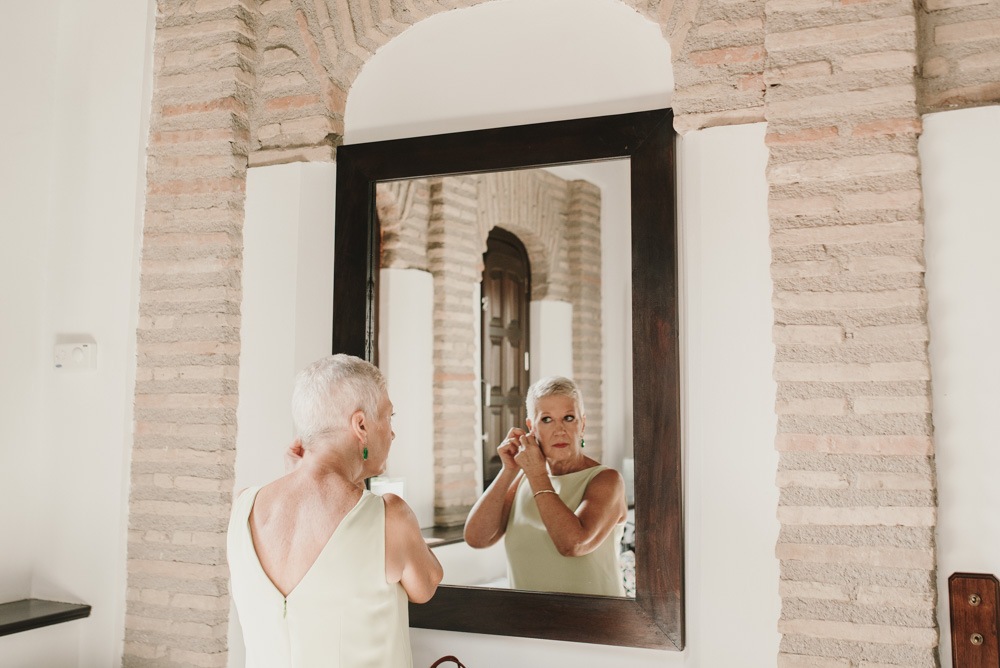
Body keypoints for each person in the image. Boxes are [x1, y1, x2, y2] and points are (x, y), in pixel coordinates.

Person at [227, 354, 443, 668]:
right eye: (388, 417)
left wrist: (299, 478)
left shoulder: (244, 505)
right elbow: (426, 585)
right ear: (361, 424)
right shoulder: (389, 515)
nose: (392, 433)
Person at [463, 376, 628, 596]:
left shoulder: (607, 480)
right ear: (531, 426)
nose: (559, 430)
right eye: (547, 419)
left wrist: (537, 473)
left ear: (583, 424)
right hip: (528, 624)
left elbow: (573, 544)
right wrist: (509, 470)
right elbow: (476, 538)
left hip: (595, 624)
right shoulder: (523, 479)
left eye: (569, 418)